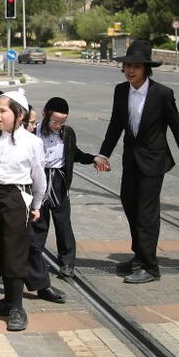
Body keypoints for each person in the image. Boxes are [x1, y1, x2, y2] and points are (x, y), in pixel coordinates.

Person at [97, 40, 179, 284]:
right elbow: (115, 125)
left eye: (136, 66)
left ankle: (151, 267)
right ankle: (140, 256)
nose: (130, 70)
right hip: (131, 159)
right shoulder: (121, 91)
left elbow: (177, 126)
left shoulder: (162, 94)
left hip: (153, 161)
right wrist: (103, 154)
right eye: (127, 66)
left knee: (146, 213)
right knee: (129, 204)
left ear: (146, 69)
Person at [27, 97, 107, 296]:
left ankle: (67, 264)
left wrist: (94, 158)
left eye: (62, 121)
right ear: (45, 114)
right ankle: (34, 264)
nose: (58, 125)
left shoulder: (67, 133)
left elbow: (75, 154)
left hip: (59, 182)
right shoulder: (33, 131)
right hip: (39, 180)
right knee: (38, 225)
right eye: (55, 121)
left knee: (63, 224)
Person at [0, 90, 46, 332]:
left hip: (16, 198)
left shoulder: (32, 142)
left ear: (19, 114)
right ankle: (1, 299)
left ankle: (16, 306)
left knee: (14, 252)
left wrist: (37, 205)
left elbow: (39, 177)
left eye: (2, 111)